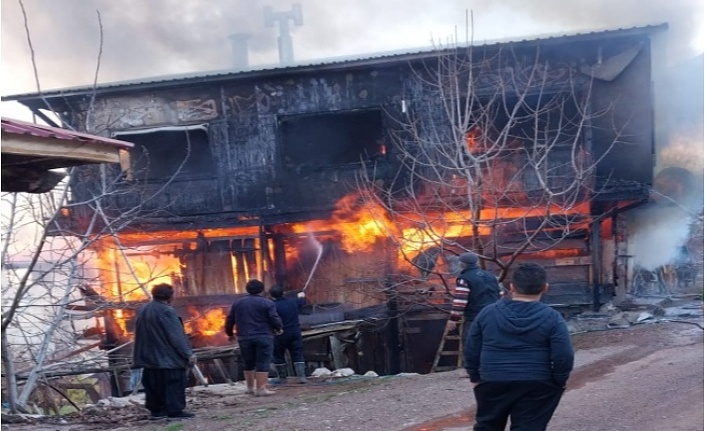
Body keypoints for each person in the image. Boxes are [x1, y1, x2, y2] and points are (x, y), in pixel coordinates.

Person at [464, 263, 574, 431]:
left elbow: (472, 348)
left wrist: (475, 377)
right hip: (537, 381)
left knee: (487, 426)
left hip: (492, 380)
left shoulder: (487, 313)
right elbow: (563, 355)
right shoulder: (552, 317)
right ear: (545, 288)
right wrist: (558, 380)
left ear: (511, 287)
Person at [132, 283, 196, 420]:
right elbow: (176, 336)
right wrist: (188, 354)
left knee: (154, 387)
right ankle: (175, 411)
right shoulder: (167, 311)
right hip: (167, 359)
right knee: (173, 384)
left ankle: (157, 412)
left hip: (148, 359)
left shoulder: (143, 310)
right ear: (169, 296)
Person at [225, 279, 283, 396]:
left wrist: (230, 333)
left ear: (247, 289)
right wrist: (279, 328)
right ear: (262, 290)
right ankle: (261, 389)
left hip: (244, 337)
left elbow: (230, 319)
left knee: (248, 362)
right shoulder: (267, 303)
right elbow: (274, 318)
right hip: (263, 336)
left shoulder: (238, 303)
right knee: (263, 361)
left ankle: (250, 388)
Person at [446, 252, 501, 339]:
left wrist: (453, 319)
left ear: (462, 264)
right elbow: (500, 294)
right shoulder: (491, 276)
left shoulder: (464, 279)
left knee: (471, 346)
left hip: (475, 319)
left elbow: (460, 301)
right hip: (494, 317)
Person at [269, 285, 307, 384]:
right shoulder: (293, 302)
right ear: (283, 293)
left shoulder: (271, 306)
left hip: (279, 333)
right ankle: (301, 377)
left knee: (278, 355)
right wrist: (301, 295)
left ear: (271, 295)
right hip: (294, 332)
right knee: (297, 353)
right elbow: (301, 301)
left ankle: (282, 378)